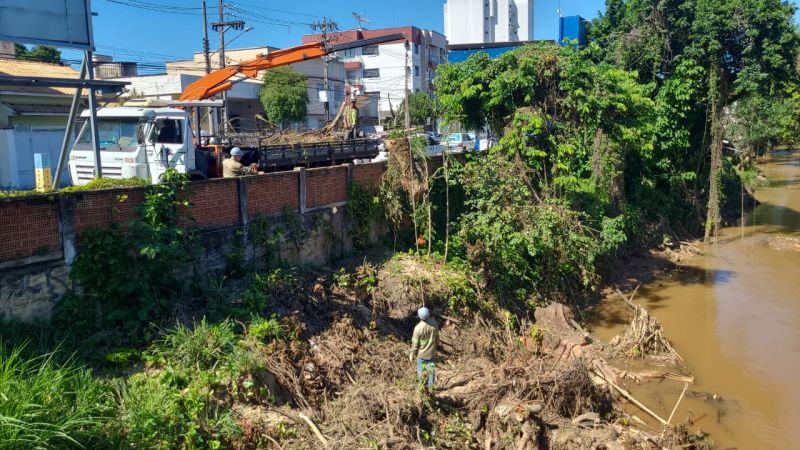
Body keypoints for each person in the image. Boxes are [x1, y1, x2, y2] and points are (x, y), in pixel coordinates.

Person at [409, 307, 439, 392]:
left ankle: (422, 388)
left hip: (421, 355)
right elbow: (437, 338)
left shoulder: (418, 328)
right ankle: (431, 389)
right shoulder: (434, 324)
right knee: (431, 371)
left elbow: (415, 344)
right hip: (431, 353)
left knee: (420, 370)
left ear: (419, 316)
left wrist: (412, 353)